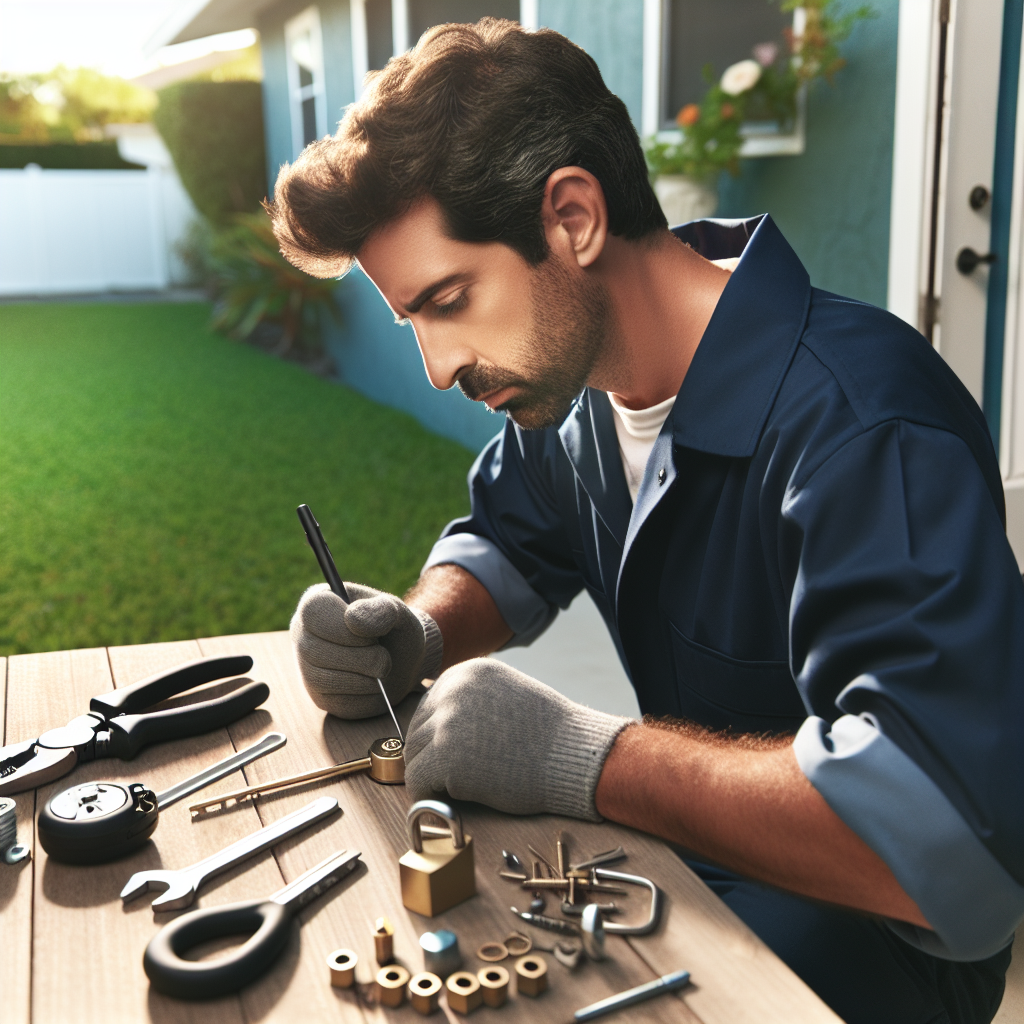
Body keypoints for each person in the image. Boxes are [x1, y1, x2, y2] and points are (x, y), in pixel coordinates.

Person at [268, 18, 1022, 1024]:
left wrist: (585, 758)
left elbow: (950, 859)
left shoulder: (863, 424)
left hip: (871, 953)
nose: (439, 366)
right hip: (690, 863)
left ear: (572, 217)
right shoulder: (572, 395)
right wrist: (418, 629)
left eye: (448, 299)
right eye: (415, 319)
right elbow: (505, 539)